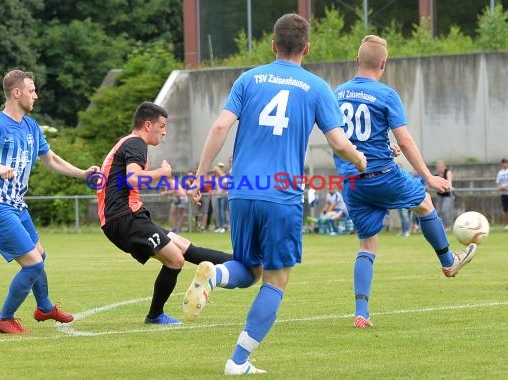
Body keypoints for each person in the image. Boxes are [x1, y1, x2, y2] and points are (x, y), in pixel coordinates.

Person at [183, 13, 366, 375]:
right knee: (276, 280)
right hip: (281, 194)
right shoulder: (315, 86)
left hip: (243, 189)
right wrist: (359, 159)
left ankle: (214, 276)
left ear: (273, 45)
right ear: (307, 48)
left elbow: (221, 125)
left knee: (248, 268)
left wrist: (200, 176)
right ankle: (238, 361)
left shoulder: (249, 78)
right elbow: (338, 142)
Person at [333, 35, 477, 329]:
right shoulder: (386, 95)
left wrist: (383, 148)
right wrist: (428, 176)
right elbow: (406, 140)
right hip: (382, 176)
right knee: (424, 203)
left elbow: (349, 137)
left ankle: (361, 312)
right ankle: (448, 261)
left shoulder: (338, 93)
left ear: (357, 61)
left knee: (367, 245)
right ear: (383, 64)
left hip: (352, 183)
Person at [0, 69, 101, 334]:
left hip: (16, 206)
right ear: (17, 93)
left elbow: (51, 159)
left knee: (40, 255)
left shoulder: (31, 126)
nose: (35, 95)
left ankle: (45, 307)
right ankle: (4, 319)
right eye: (31, 90)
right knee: (33, 263)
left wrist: (82, 173)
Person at [97, 101, 232, 325]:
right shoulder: (136, 144)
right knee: (175, 259)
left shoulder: (129, 144)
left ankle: (242, 262)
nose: (165, 131)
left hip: (127, 216)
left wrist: (177, 185)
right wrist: (161, 172)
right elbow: (132, 178)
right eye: (162, 125)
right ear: (148, 125)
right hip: (124, 217)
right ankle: (155, 315)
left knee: (183, 246)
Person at [435, 160, 454, 231]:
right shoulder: (436, 175)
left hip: (448, 195)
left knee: (444, 210)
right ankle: (441, 227)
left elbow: (449, 185)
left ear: (444, 167)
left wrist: (441, 187)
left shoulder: (448, 172)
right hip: (440, 195)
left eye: (441, 167)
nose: (440, 168)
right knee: (438, 211)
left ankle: (448, 226)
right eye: (438, 167)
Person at [497, 158, 508, 230]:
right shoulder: (500, 173)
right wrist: (503, 187)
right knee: (506, 210)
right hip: (504, 194)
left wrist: (505, 186)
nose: (505, 164)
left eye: (506, 162)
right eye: (503, 162)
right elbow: (498, 185)